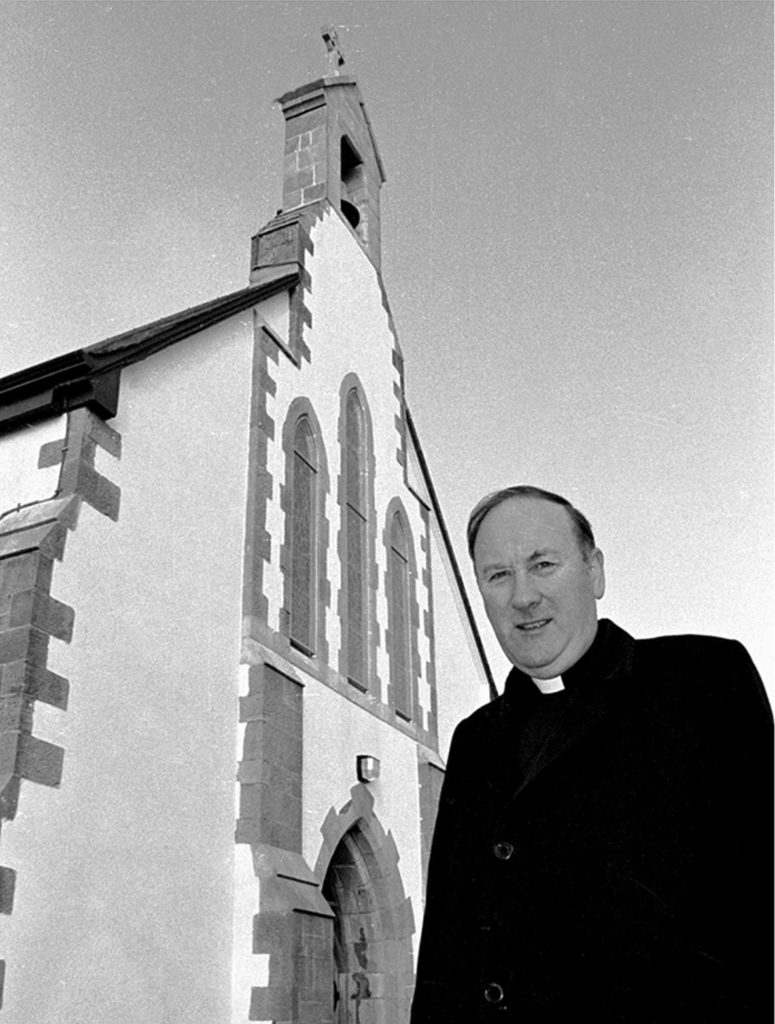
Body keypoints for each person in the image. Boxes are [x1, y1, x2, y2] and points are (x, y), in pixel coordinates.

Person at [411, 485, 772, 1024]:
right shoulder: (474, 741)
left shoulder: (703, 681)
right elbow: (446, 948)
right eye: (498, 575)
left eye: (543, 564)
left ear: (594, 571)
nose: (523, 596)